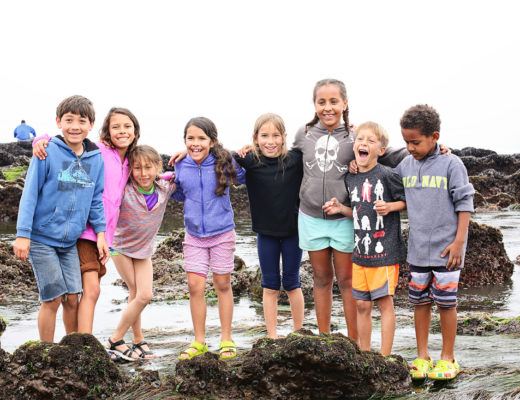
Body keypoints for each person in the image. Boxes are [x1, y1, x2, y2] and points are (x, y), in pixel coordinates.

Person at [293, 78, 408, 338]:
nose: (328, 107)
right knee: (321, 280)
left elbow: (387, 154)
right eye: (321, 102)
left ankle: (354, 342)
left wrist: (434, 149)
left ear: (345, 103)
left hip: (345, 218)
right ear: (314, 104)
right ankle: (324, 337)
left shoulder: (355, 136)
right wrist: (247, 150)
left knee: (347, 282)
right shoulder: (304, 134)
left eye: (334, 101)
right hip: (311, 216)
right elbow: (284, 157)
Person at [32, 107, 140, 338]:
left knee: (79, 294)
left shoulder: (131, 160)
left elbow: (151, 173)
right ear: (105, 132)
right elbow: (71, 142)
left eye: (127, 126)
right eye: (116, 127)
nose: (122, 131)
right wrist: (41, 140)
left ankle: (77, 341)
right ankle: (84, 342)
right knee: (91, 290)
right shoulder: (98, 151)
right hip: (83, 232)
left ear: (135, 131)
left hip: (104, 236)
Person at [13, 95, 107, 342]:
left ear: (90, 125)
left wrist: (100, 234)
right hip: (42, 238)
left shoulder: (95, 159)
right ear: (58, 121)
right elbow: (30, 193)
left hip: (70, 242)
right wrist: (23, 235)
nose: (75, 126)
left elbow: (96, 199)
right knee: (52, 297)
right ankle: (47, 350)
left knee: (74, 298)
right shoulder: (46, 152)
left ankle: (71, 350)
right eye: (69, 120)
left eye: (82, 121)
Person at [395, 104, 474, 380]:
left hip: (447, 250)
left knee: (446, 303)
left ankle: (448, 357)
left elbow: (465, 204)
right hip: (417, 250)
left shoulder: (452, 163)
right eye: (406, 142)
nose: (410, 147)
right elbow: (382, 173)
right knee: (419, 301)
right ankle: (422, 355)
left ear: (435, 136)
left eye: (415, 142)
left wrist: (459, 243)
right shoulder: (405, 164)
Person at [323, 121, 406, 356]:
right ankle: (366, 353)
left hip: (385, 252)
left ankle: (386, 356)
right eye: (360, 139)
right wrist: (341, 207)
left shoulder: (388, 175)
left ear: (381, 150)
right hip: (360, 253)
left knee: (384, 303)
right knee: (361, 304)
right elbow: (358, 210)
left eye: (371, 141)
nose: (364, 144)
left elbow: (406, 202)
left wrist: (390, 206)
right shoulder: (351, 178)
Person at [173, 117, 245, 361]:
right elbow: (179, 194)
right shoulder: (181, 165)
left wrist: (246, 153)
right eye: (190, 139)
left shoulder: (224, 162)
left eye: (201, 138)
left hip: (222, 233)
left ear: (212, 141)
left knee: (223, 284)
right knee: (195, 286)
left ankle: (226, 338)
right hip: (193, 235)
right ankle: (199, 341)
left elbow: (246, 176)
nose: (195, 143)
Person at [234, 113, 304, 339]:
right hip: (266, 234)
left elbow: (322, 156)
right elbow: (219, 156)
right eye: (264, 135)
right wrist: (240, 151)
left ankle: (298, 331)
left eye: (275, 135)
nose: (270, 141)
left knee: (293, 283)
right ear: (255, 138)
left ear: (284, 137)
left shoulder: (295, 159)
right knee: (270, 285)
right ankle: (272, 335)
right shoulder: (251, 161)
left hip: (294, 232)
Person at [107, 145, 176, 361]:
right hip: (121, 248)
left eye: (149, 167)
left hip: (144, 251)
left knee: (140, 295)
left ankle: (137, 340)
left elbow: (186, 169)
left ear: (158, 167)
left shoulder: (165, 187)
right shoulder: (124, 188)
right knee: (140, 294)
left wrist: (181, 156)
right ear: (130, 169)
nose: (143, 173)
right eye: (137, 168)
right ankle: (115, 340)